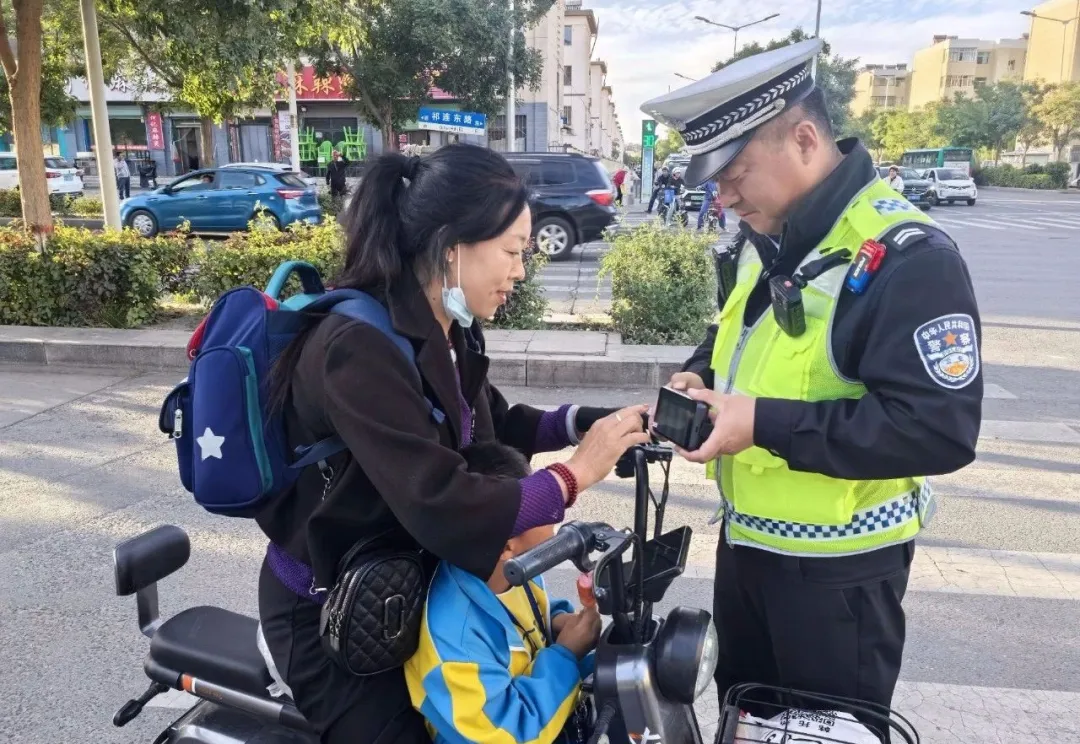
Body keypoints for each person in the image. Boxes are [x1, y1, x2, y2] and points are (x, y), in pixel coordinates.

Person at [257, 144, 649, 744]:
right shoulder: (355, 348)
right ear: (452, 246)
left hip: (406, 585)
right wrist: (575, 475)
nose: (521, 269)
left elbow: (489, 425)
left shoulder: (445, 328)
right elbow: (440, 498)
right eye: (512, 252)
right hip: (332, 613)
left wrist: (595, 425)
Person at [640, 38, 982, 724]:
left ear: (803, 139)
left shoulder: (906, 258)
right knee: (747, 724)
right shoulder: (767, 240)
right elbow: (738, 334)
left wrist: (760, 423)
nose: (721, 194)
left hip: (840, 585)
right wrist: (700, 374)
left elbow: (936, 429)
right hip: (750, 556)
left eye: (734, 171)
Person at [405, 441, 600, 744]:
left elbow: (534, 618)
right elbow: (513, 733)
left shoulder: (513, 573)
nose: (555, 515)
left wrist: (561, 623)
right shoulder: (456, 642)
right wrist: (567, 653)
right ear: (507, 545)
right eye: (541, 510)